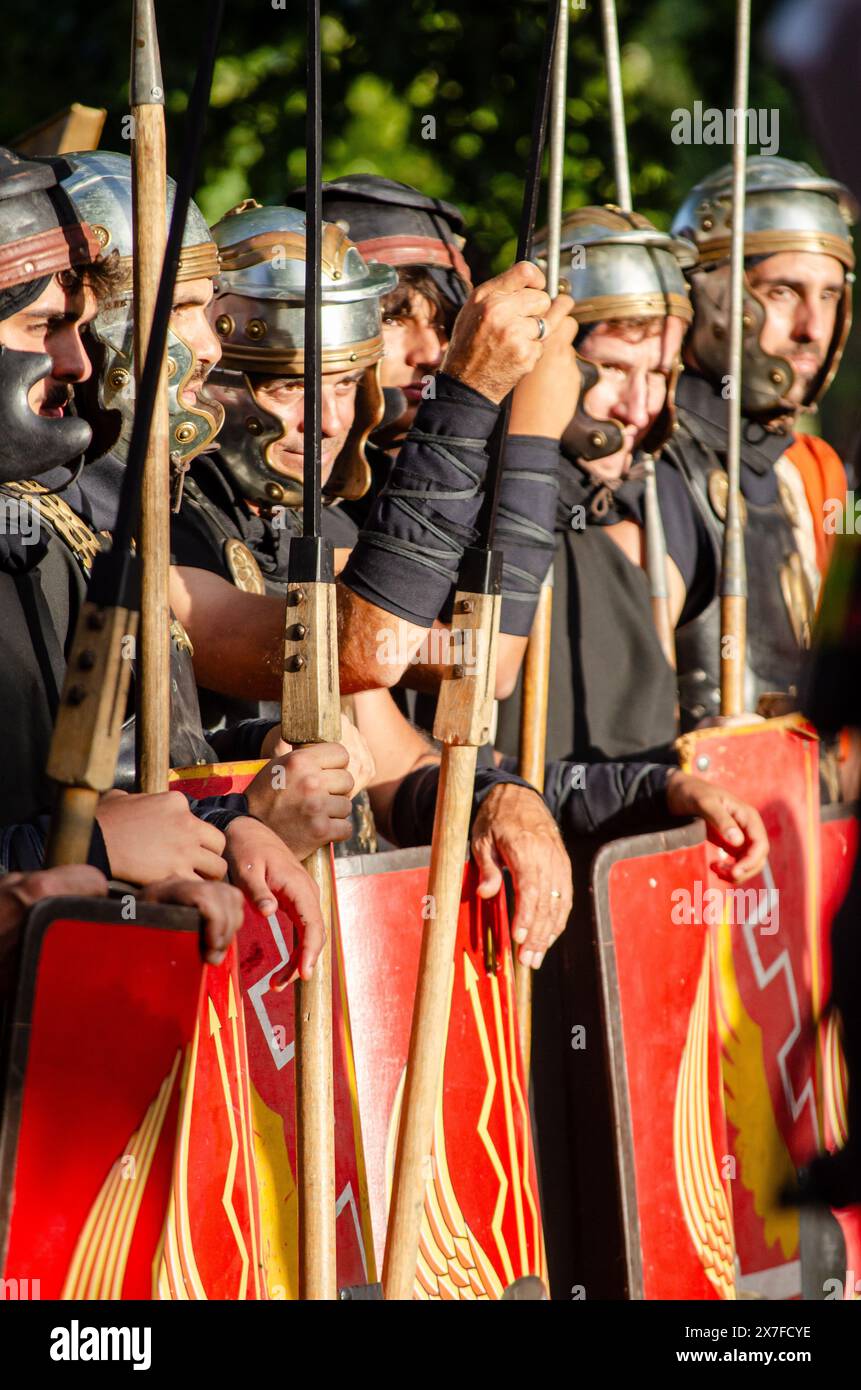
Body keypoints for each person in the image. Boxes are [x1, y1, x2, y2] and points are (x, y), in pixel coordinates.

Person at [494, 206, 697, 763]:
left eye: (657, 373)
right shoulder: (476, 510)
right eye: (612, 369)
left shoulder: (643, 513)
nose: (638, 409)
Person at [665, 155, 856, 728]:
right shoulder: (652, 457)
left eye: (827, 296)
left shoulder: (816, 468)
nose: (811, 327)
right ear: (714, 294)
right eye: (782, 291)